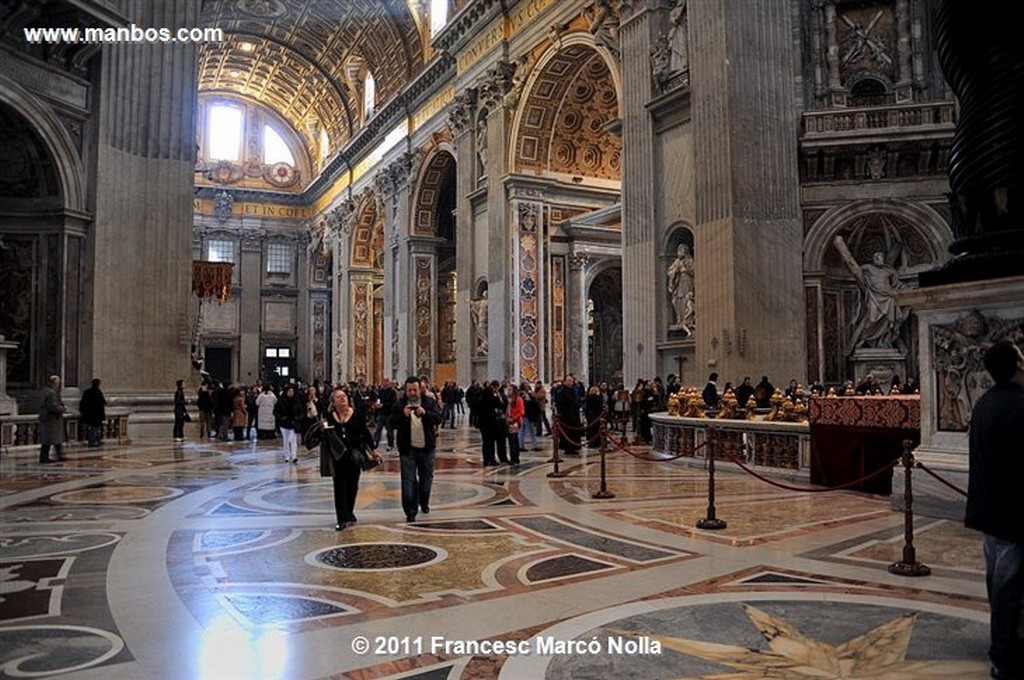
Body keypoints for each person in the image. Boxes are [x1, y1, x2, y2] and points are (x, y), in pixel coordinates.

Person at [965, 341, 1024, 680]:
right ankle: (1004, 654)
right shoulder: (1017, 408)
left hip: (990, 510)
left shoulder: (985, 403)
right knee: (1009, 590)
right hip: (1013, 516)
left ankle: (1003, 643)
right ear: (1017, 364)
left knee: (998, 584)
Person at [318, 387, 380, 530]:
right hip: (338, 457)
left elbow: (364, 432)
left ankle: (349, 512)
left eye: (344, 396)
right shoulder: (328, 417)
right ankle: (342, 519)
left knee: (352, 487)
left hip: (354, 457)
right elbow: (324, 436)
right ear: (333, 402)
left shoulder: (356, 414)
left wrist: (373, 449)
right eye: (338, 397)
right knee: (339, 488)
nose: (342, 398)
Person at [390, 376, 442, 522]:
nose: (412, 393)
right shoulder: (399, 405)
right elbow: (392, 423)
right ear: (405, 391)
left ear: (420, 390)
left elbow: (438, 418)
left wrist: (425, 413)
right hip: (408, 449)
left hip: (427, 448)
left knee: (426, 478)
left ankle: (424, 501)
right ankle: (410, 511)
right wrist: (403, 415)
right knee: (408, 479)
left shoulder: (429, 402)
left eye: (415, 390)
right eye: (409, 390)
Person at [477, 380, 508, 466]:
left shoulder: (496, 395)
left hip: (495, 423)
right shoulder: (488, 395)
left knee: (495, 442)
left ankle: (496, 459)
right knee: (488, 442)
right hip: (487, 423)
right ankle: (489, 460)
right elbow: (495, 404)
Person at [38, 375, 67, 463]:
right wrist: (63, 408)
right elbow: (53, 406)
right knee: (53, 439)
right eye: (58, 383)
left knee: (50, 440)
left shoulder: (44, 391)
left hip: (46, 419)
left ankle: (57, 455)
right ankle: (48, 457)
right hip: (52, 420)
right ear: (54, 383)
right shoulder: (52, 393)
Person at [554, 375, 582, 455]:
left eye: (572, 380)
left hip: (574, 415)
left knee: (574, 433)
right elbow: (560, 405)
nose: (571, 382)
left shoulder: (573, 390)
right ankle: (568, 448)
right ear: (565, 381)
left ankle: (573, 447)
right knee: (568, 433)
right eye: (569, 380)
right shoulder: (561, 392)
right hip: (566, 417)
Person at [275, 384, 302, 463]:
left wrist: (298, 418)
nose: (291, 392)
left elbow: (301, 411)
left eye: (292, 391)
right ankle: (287, 456)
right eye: (290, 391)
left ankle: (294, 456)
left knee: (293, 439)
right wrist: (281, 418)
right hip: (284, 423)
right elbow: (276, 411)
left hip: (293, 422)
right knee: (286, 440)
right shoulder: (281, 400)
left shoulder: (296, 400)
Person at [79, 378, 106, 447]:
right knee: (95, 429)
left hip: (88, 414)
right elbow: (102, 403)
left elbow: (82, 403)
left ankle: (97, 440)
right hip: (96, 415)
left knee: (94, 429)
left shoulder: (87, 392)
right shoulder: (98, 392)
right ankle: (92, 441)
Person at [506, 384, 524, 466]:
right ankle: (514, 457)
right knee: (513, 440)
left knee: (513, 440)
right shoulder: (509, 400)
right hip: (510, 420)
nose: (508, 391)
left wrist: (513, 418)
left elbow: (521, 412)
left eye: (510, 390)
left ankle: (514, 458)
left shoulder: (518, 399)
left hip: (515, 421)